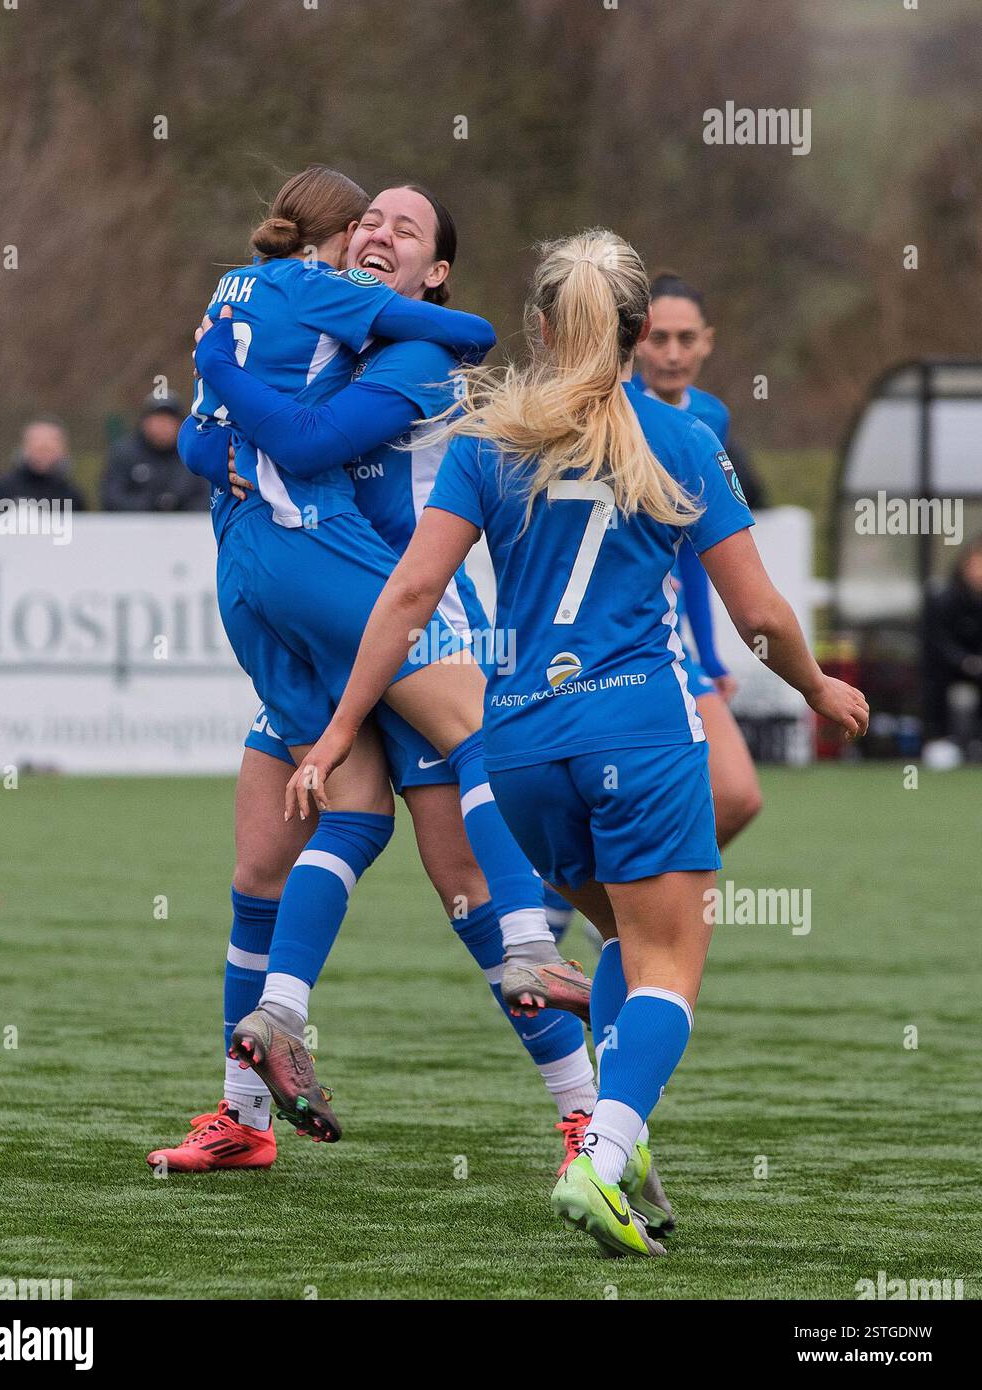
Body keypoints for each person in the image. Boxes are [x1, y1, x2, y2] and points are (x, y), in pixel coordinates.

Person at [287, 229, 869, 1256]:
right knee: (668, 965)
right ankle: (599, 1157)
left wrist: (336, 730)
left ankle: (618, 1136)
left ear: (539, 327)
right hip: (635, 727)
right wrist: (817, 684)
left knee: (614, 938)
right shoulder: (675, 439)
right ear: (641, 334)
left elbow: (410, 594)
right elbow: (758, 615)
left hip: (515, 749)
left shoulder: (486, 440)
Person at [150, 183, 604, 1191]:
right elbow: (205, 434)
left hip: (405, 621)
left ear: (432, 273)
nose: (377, 233)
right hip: (324, 631)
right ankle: (243, 1111)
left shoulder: (410, 352)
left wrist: (224, 394)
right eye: (368, 220)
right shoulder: (314, 328)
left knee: (467, 897)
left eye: (405, 229)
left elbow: (297, 442)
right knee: (263, 859)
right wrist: (217, 416)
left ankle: (582, 1117)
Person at [633, 272, 764, 849]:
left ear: (708, 341)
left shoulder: (711, 417)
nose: (673, 353)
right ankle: (579, 909)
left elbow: (694, 550)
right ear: (635, 339)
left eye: (687, 339)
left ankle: (611, 904)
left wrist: (708, 655)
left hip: (671, 643)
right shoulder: (605, 412)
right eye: (659, 338)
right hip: (609, 636)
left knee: (736, 796)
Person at [921, 536, 982, 761]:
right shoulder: (945, 600)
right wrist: (965, 662)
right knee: (936, 680)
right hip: (949, 670)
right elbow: (938, 643)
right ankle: (940, 739)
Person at [101, 392, 208, 511]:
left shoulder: (194, 454)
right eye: (158, 420)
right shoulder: (124, 453)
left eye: (168, 420)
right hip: (135, 526)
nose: (163, 426)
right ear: (144, 422)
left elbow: (206, 496)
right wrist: (151, 505)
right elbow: (111, 497)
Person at [0, 417, 87, 510]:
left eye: (49, 449)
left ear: (62, 450)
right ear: (24, 448)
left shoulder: (71, 494)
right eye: (38, 448)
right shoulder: (2, 488)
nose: (43, 455)